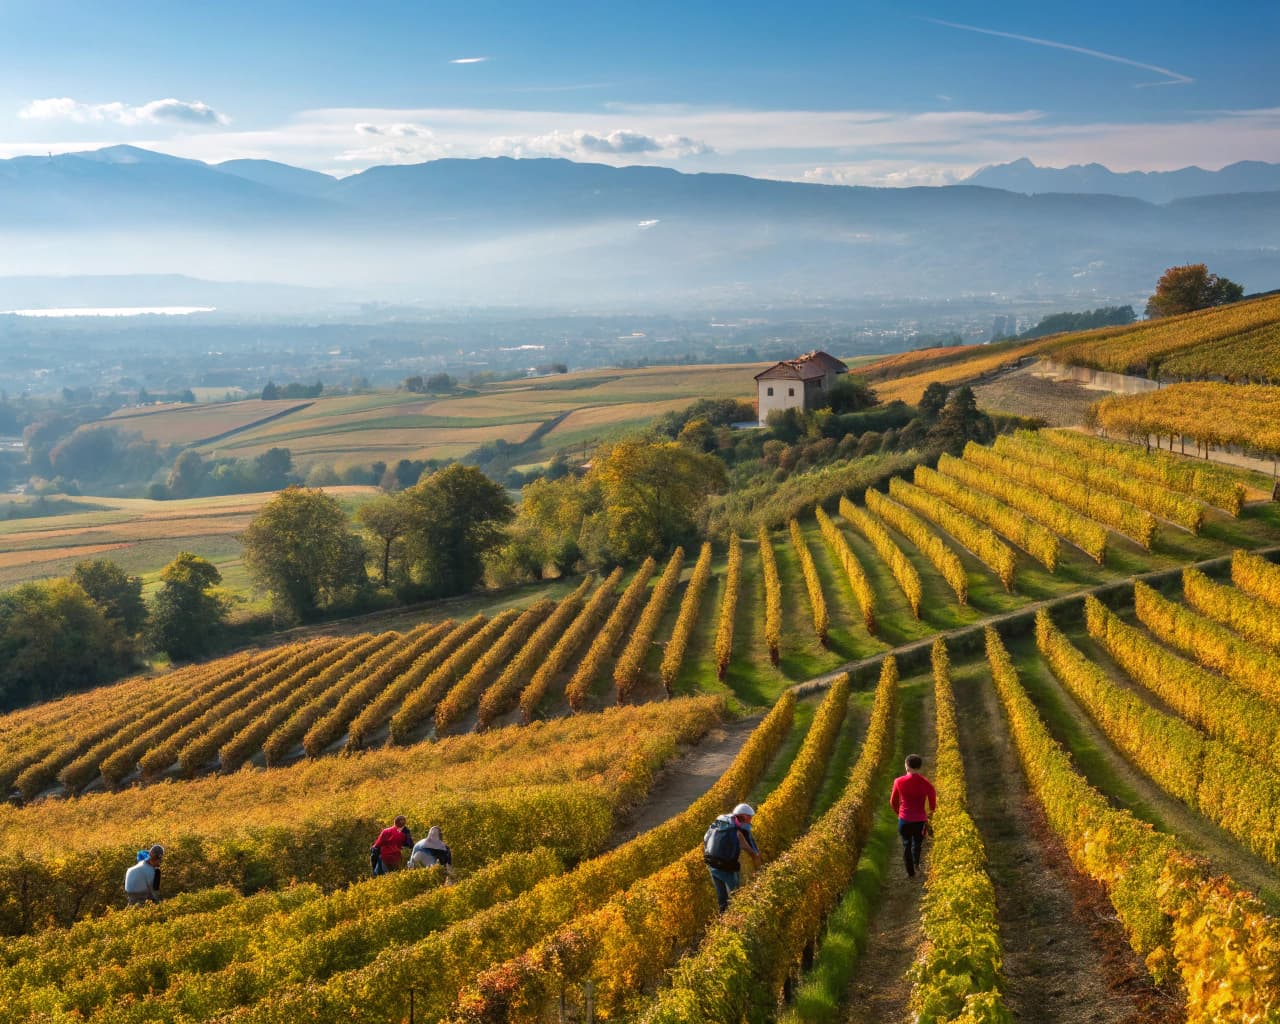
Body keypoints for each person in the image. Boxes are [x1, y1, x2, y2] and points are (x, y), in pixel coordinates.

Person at [703, 802, 762, 913]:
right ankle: (737, 922)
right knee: (736, 896)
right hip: (726, 867)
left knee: (722, 899)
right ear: (744, 816)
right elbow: (754, 853)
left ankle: (723, 920)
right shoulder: (740, 831)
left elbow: (706, 838)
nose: (751, 820)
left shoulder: (721, 821)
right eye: (750, 817)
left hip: (711, 863)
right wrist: (760, 874)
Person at [890, 754, 937, 878]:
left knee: (906, 844)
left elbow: (893, 802)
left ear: (906, 766)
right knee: (917, 843)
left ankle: (910, 872)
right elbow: (933, 803)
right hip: (920, 820)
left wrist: (898, 813)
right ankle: (916, 863)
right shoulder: (926, 783)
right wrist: (930, 816)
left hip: (904, 819)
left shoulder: (898, 781)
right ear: (919, 767)